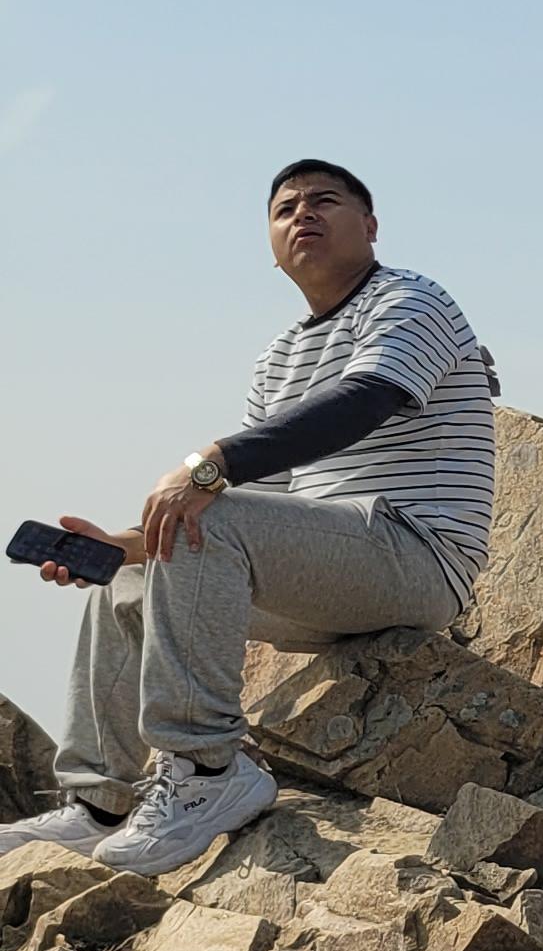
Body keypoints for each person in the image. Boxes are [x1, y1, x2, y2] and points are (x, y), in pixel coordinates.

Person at [5, 160, 500, 876]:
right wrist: (122, 545)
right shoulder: (280, 355)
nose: (304, 214)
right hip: (326, 576)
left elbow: (363, 400)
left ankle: (209, 770)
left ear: (370, 226)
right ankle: (98, 804)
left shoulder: (410, 299)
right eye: (285, 209)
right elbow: (255, 494)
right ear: (271, 245)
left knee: (210, 516)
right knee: (127, 583)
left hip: (415, 555)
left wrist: (210, 462)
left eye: (325, 201)